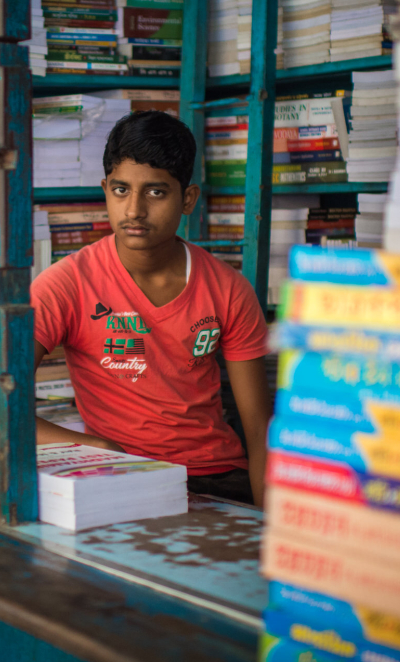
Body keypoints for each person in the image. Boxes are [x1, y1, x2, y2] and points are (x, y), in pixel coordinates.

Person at [30, 110, 273, 506]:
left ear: (187, 199)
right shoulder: (66, 284)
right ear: (105, 189)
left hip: (217, 478)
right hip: (118, 476)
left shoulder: (228, 289)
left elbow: (260, 430)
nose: (134, 211)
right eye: (121, 190)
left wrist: (268, 532)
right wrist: (96, 446)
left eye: (156, 192)